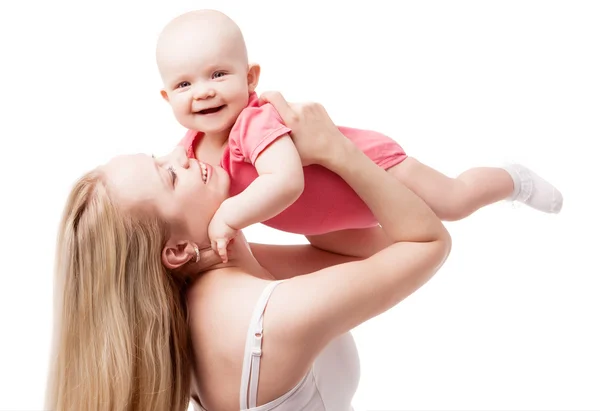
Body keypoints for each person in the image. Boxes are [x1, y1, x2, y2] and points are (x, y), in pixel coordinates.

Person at [45, 94, 451, 411]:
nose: (182, 155)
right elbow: (425, 242)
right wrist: (337, 151)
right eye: (168, 175)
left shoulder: (197, 288)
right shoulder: (270, 318)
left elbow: (359, 254)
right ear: (178, 249)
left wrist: (284, 180)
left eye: (159, 156)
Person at [155, 9, 563, 262]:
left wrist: (228, 215)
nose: (203, 91)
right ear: (166, 96)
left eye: (218, 74)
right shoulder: (187, 151)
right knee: (388, 256)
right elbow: (171, 193)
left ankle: (513, 180)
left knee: (453, 201)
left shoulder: (253, 122)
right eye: (184, 85)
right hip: (327, 226)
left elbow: (286, 181)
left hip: (369, 170)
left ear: (250, 78)